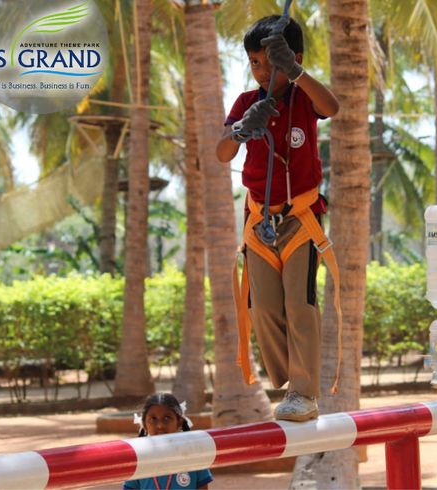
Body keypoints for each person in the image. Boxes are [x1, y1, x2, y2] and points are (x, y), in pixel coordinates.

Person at [216, 15, 341, 422]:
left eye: (271, 62)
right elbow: (220, 153)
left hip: (300, 218)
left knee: (300, 304)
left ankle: (305, 393)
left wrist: (297, 73)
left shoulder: (304, 97)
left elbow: (332, 107)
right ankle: (288, 381)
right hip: (258, 222)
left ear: (292, 58)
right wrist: (239, 132)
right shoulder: (246, 104)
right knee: (265, 308)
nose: (262, 71)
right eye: (255, 63)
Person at [123, 393, 213, 490]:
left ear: (179, 422)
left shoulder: (194, 453)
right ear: (144, 424)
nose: (160, 426)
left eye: (166, 418)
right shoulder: (138, 457)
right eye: (153, 419)